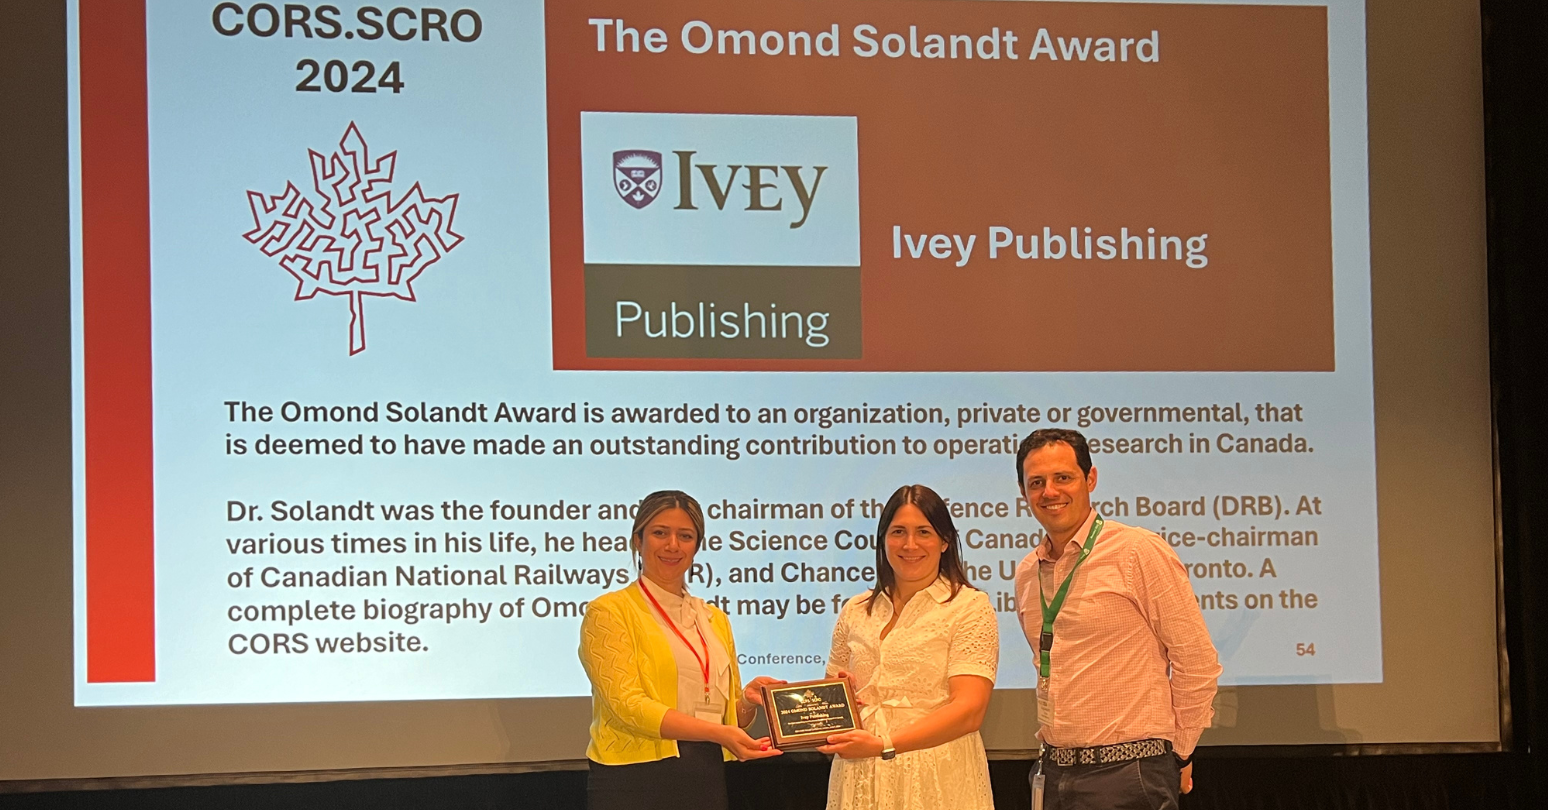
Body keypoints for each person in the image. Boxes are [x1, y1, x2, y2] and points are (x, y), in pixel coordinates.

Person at [1013, 429, 1222, 810]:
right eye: (1036, 482)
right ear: (1024, 492)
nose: (1050, 492)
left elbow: (1196, 661)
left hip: (1130, 773)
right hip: (1053, 773)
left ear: (1090, 479)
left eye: (1063, 478)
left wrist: (1177, 755)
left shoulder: (1137, 552)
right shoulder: (1028, 572)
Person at [579, 490, 782, 810]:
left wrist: (747, 700)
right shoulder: (609, 611)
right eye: (660, 532)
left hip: (704, 775)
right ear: (637, 540)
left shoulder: (715, 619)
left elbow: (732, 720)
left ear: (696, 546)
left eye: (685, 536)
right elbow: (628, 706)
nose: (673, 545)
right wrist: (719, 732)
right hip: (633, 781)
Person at [820, 484, 999, 810]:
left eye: (924, 532)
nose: (910, 544)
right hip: (859, 777)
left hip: (937, 780)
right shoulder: (855, 610)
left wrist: (884, 745)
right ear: (883, 540)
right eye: (898, 531)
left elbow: (970, 710)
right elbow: (831, 704)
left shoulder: (969, 607)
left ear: (945, 541)